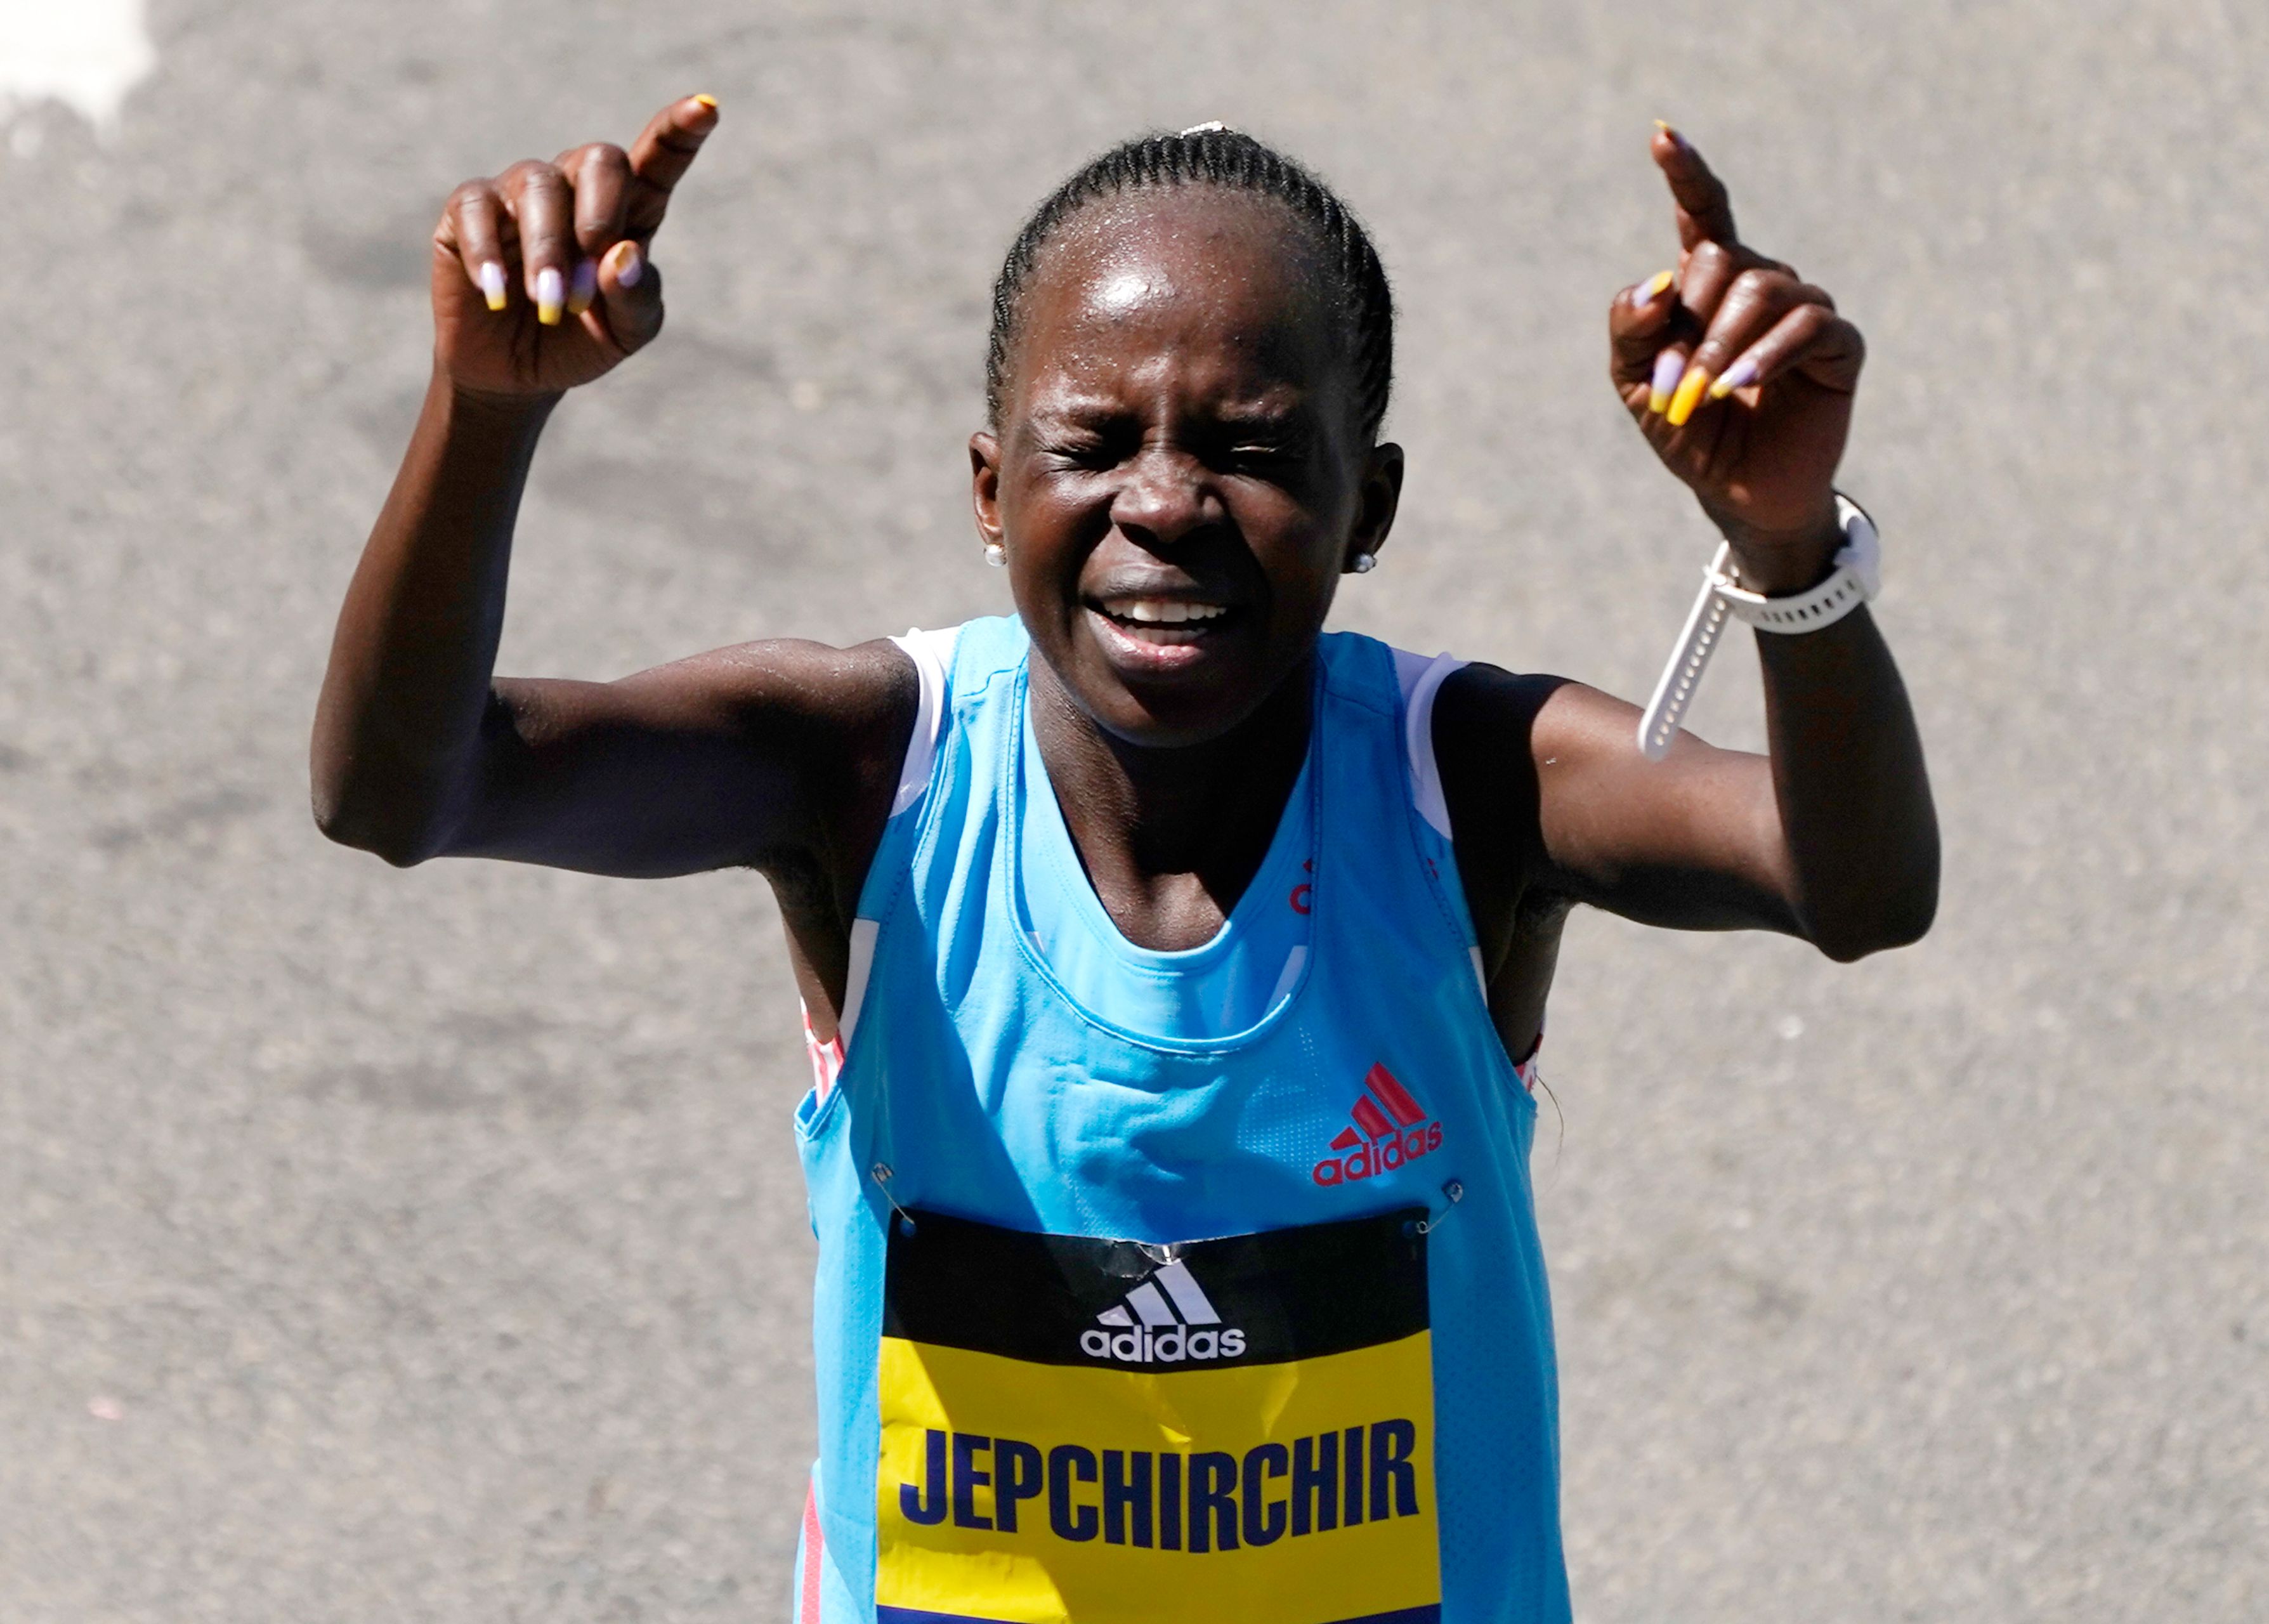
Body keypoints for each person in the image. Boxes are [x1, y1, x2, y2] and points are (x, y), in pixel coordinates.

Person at [311, 92, 1937, 1624]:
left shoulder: (1468, 788)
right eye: (1091, 441)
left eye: (1250, 446)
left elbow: (1852, 885)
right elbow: (408, 788)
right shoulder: (870, 774)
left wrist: (1788, 552)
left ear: (1365, 504)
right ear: (987, 486)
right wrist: (485, 409)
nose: (1165, 502)